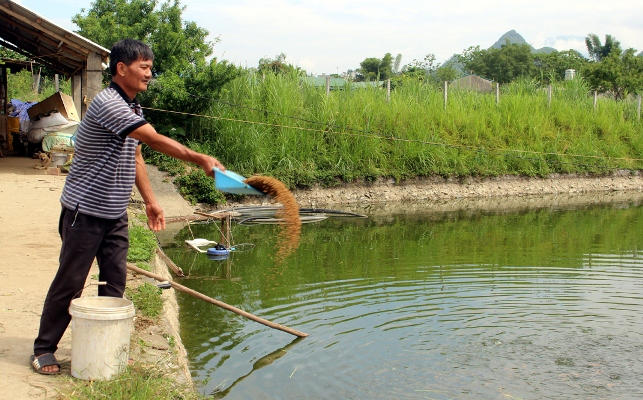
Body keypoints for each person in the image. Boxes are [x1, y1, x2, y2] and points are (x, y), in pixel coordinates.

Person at [29, 39, 225, 374]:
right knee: (71, 281)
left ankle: (108, 346)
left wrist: (151, 201)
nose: (150, 73)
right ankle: (44, 349)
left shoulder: (133, 107)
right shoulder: (109, 104)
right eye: (144, 67)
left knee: (114, 281)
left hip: (115, 212)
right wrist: (198, 158)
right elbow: (151, 139)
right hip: (85, 211)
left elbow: (135, 153)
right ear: (121, 69)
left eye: (151, 66)